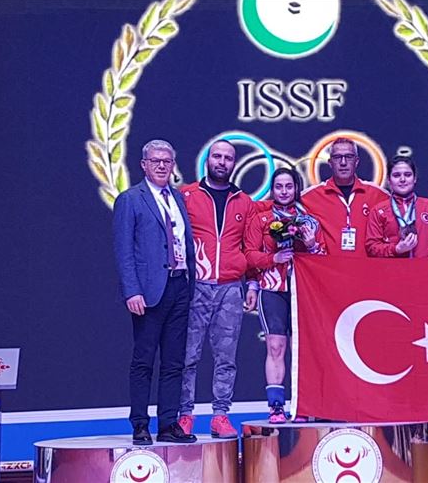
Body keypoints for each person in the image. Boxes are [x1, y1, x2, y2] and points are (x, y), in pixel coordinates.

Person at [113, 139, 197, 445]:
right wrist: (131, 291)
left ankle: (168, 424)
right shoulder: (130, 199)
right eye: (155, 161)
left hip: (180, 285)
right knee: (144, 360)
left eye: (167, 161)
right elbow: (124, 250)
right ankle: (139, 424)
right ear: (144, 165)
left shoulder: (177, 197)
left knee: (174, 362)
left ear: (173, 165)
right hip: (149, 291)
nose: (162, 166)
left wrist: (190, 281)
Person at [178, 139, 259, 439]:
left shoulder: (244, 202)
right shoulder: (187, 195)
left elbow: (251, 247)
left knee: (226, 358)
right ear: (208, 160)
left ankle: (220, 416)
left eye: (228, 158)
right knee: (187, 356)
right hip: (195, 287)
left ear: (234, 163)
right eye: (217, 156)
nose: (222, 162)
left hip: (230, 288)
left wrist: (252, 283)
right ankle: (184, 415)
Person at [245, 167, 326, 423]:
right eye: (279, 186)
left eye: (288, 186)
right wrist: (274, 259)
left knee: (302, 350)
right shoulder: (261, 220)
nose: (283, 191)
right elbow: (249, 255)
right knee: (276, 346)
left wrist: (311, 244)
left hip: (304, 292)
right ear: (272, 189)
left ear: (296, 188)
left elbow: (324, 259)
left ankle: (303, 406)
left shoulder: (310, 221)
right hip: (272, 290)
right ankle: (276, 407)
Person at [301, 137, 389, 257]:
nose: (343, 162)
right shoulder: (309, 196)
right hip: (328, 267)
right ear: (330, 162)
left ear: (356, 161)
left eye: (349, 157)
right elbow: (281, 208)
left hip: (367, 267)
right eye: (337, 157)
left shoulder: (378, 195)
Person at [365, 151, 428, 258]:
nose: (402, 179)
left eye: (408, 175)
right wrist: (396, 249)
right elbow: (372, 247)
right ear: (389, 180)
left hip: (425, 268)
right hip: (393, 268)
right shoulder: (378, 211)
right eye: (396, 175)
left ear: (415, 178)